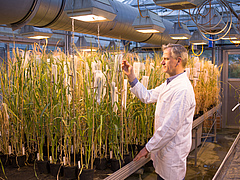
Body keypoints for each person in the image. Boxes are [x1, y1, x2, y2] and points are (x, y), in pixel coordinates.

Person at [122, 44, 196, 180]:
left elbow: (169, 128)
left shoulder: (183, 90)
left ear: (178, 61)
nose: (162, 62)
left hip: (172, 157)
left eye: (166, 59)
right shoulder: (170, 83)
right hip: (164, 153)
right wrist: (132, 78)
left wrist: (147, 148)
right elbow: (148, 96)